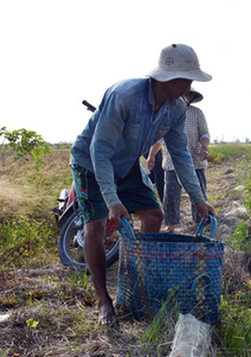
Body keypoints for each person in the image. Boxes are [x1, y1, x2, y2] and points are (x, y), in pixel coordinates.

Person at [69, 43, 216, 326]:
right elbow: (100, 151)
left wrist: (198, 199)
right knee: (96, 225)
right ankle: (103, 300)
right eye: (186, 78)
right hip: (91, 161)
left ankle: (135, 283)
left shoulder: (176, 109)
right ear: (167, 77)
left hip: (126, 163)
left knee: (154, 215)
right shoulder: (124, 95)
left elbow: (181, 154)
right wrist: (113, 201)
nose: (189, 85)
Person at [148, 88, 210, 232]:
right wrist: (151, 156)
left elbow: (205, 134)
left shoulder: (197, 113)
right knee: (171, 195)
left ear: (191, 97)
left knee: (198, 192)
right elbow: (159, 138)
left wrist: (204, 148)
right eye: (184, 94)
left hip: (195, 160)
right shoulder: (169, 112)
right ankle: (171, 224)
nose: (186, 97)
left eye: (189, 95)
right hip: (172, 162)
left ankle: (199, 221)